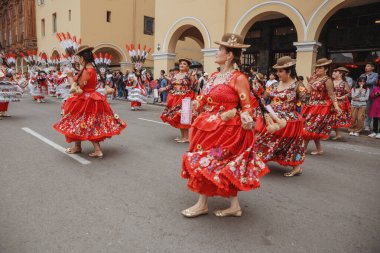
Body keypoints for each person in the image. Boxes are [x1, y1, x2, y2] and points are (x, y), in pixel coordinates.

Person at [181, 33, 269, 218]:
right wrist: (197, 102)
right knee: (213, 164)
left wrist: (239, 115)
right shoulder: (213, 76)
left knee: (209, 162)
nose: (217, 52)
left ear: (229, 55)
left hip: (226, 130)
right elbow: (204, 97)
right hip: (206, 126)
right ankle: (234, 206)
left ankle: (202, 204)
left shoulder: (239, 78)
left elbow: (247, 108)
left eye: (220, 49)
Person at [53, 45, 126, 158]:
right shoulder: (91, 69)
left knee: (87, 123)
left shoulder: (87, 71)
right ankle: (78, 146)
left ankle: (97, 150)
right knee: (80, 122)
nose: (78, 60)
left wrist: (70, 76)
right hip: (91, 98)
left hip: (85, 100)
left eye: (79, 58)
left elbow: (77, 87)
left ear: (83, 58)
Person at [255, 56, 308, 177]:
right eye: (277, 71)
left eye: (280, 71)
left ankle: (296, 167)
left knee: (291, 143)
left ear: (289, 71)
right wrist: (263, 107)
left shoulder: (297, 85)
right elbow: (264, 98)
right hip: (273, 116)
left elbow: (306, 100)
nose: (278, 74)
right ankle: (258, 159)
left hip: (288, 119)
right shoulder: (274, 85)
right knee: (261, 138)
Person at [302, 58, 342, 155]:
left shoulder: (327, 80)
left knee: (311, 127)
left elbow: (332, 94)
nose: (317, 70)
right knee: (310, 128)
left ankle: (304, 148)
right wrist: (310, 82)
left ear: (326, 70)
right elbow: (308, 91)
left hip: (322, 107)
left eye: (320, 68)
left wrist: (336, 107)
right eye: (317, 68)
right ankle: (316, 149)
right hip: (312, 105)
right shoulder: (315, 78)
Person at [159, 58, 196, 143]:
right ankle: (182, 136)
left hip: (185, 98)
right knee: (177, 116)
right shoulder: (175, 75)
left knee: (184, 116)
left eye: (184, 64)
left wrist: (193, 78)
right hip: (175, 98)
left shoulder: (189, 75)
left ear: (188, 67)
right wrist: (163, 88)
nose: (182, 65)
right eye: (181, 64)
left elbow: (194, 87)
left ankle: (187, 137)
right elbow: (170, 86)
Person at [330, 67, 352, 140]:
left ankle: (337, 134)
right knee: (329, 118)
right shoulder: (331, 81)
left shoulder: (344, 83)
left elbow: (349, 93)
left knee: (335, 119)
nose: (334, 73)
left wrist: (340, 97)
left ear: (340, 74)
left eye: (336, 72)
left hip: (339, 103)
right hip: (331, 102)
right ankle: (329, 133)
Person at [360, 62, 378, 131]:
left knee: (368, 111)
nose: (366, 67)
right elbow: (358, 83)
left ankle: (367, 125)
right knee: (361, 110)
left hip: (370, 95)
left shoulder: (375, 75)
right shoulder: (362, 75)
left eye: (368, 66)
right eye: (366, 66)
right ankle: (360, 125)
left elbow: (372, 82)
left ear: (372, 68)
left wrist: (363, 82)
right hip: (361, 95)